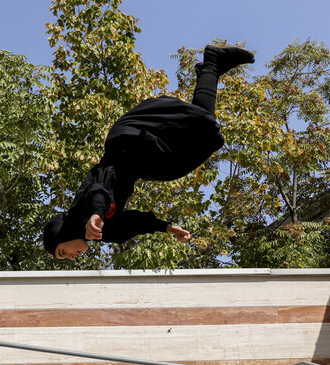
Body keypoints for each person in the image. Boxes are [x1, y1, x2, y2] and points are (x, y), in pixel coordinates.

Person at [43, 44, 255, 260]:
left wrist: (96, 214)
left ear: (63, 234)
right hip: (141, 162)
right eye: (66, 258)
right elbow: (138, 223)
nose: (71, 256)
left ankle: (211, 65)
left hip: (127, 144)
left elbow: (98, 191)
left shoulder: (78, 213)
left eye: (63, 252)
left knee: (195, 138)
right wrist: (168, 228)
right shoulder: (106, 233)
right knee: (202, 132)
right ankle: (211, 67)